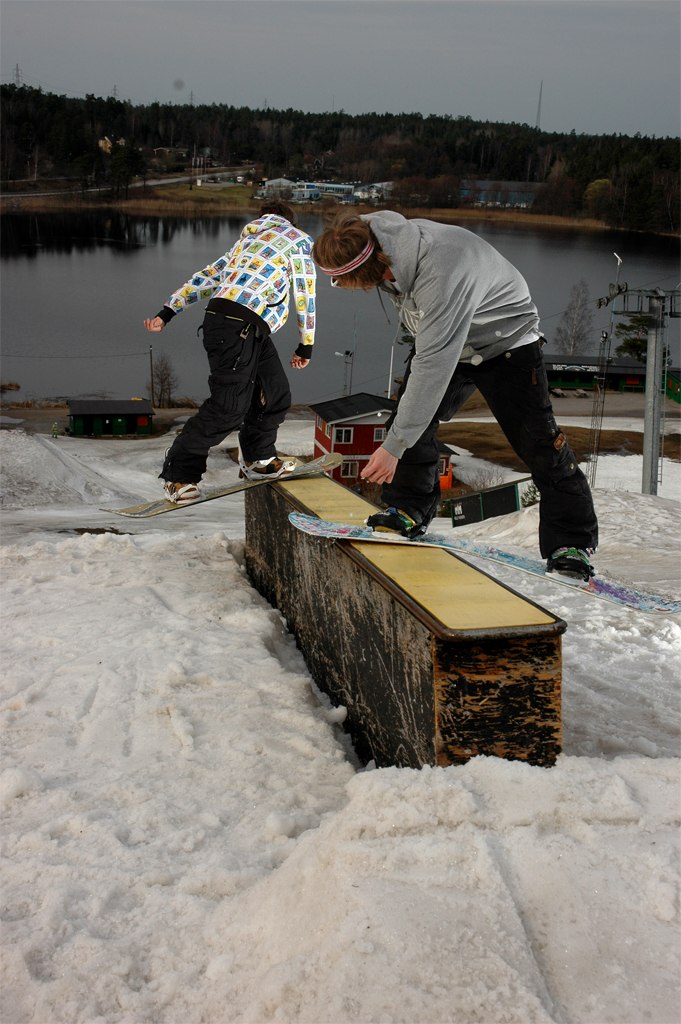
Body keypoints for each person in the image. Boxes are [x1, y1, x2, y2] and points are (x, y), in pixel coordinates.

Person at [312, 210, 598, 580]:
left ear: (375, 269)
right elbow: (432, 355)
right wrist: (402, 435)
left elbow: (433, 364)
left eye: (351, 283)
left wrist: (394, 446)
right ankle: (408, 509)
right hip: (452, 339)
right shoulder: (368, 237)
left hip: (506, 343)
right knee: (411, 418)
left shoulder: (440, 272)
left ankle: (571, 543)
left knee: (539, 443)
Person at [144, 201, 316, 502]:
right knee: (229, 407)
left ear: (263, 220)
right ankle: (178, 476)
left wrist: (168, 312)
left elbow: (206, 278)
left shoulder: (247, 242)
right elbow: (304, 290)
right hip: (234, 327)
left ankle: (258, 461)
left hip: (244, 326)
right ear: (290, 221)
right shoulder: (297, 240)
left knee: (276, 394)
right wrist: (306, 343)